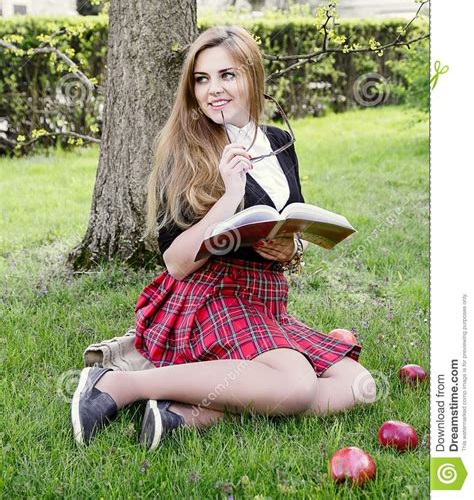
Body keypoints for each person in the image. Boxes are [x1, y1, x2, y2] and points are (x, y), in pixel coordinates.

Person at [71, 25, 376, 450]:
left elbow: (291, 218)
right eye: (202, 78)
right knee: (298, 384)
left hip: (265, 299)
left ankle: (187, 414)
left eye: (227, 75)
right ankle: (120, 385)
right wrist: (229, 194)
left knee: (358, 385)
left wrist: (291, 248)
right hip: (209, 295)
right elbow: (175, 263)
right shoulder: (186, 150)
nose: (213, 89)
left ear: (252, 77)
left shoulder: (279, 142)